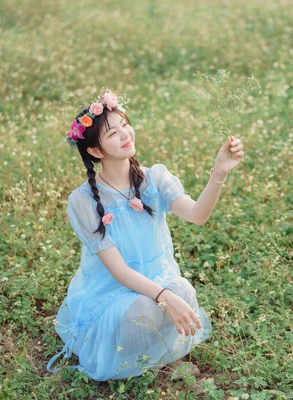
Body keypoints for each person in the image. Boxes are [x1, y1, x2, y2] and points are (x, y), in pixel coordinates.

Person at [46, 90, 245, 381]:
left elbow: (197, 215)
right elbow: (119, 271)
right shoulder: (83, 200)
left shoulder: (154, 179)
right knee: (143, 307)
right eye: (113, 133)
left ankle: (154, 360)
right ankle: (141, 366)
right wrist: (164, 297)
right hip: (113, 289)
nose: (126, 134)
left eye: (125, 124)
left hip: (158, 277)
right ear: (96, 151)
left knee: (184, 292)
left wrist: (219, 173)